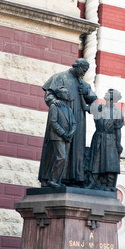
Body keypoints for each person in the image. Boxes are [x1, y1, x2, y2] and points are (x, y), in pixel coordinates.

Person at [38, 58, 97, 186]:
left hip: (78, 119)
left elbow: (92, 101)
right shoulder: (60, 77)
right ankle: (51, 178)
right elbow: (49, 95)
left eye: (86, 71)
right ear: (77, 66)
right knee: (57, 150)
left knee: (77, 147)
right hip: (60, 116)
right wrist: (54, 101)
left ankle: (72, 178)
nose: (83, 73)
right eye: (83, 70)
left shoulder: (84, 84)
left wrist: (86, 94)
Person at [38, 86, 77, 188]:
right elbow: (53, 122)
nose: (67, 95)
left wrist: (70, 133)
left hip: (67, 138)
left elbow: (73, 123)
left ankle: (58, 180)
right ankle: (52, 179)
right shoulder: (54, 106)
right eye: (65, 93)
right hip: (57, 137)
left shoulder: (68, 109)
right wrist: (63, 133)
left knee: (64, 160)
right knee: (60, 157)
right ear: (60, 95)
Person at [87, 89, 123, 191]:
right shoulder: (99, 108)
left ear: (112, 97)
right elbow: (85, 107)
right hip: (98, 136)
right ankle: (92, 182)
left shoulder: (117, 112)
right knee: (95, 160)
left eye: (108, 93)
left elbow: (118, 130)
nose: (105, 93)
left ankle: (109, 185)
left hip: (110, 138)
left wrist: (118, 144)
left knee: (110, 162)